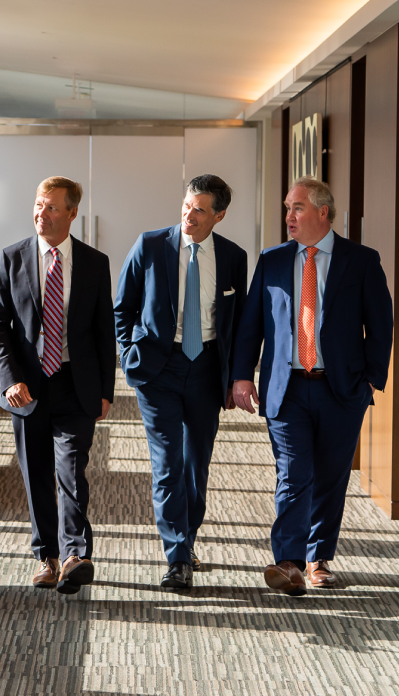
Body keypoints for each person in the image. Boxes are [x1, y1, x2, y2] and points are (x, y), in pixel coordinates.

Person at [231, 177, 392, 595]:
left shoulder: (361, 261)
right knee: (293, 472)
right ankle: (289, 561)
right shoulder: (273, 260)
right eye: (287, 207)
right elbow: (252, 324)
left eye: (297, 207)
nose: (288, 216)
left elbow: (380, 323)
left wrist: (372, 379)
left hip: (341, 388)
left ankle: (319, 556)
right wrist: (242, 375)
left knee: (331, 475)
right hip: (286, 387)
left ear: (323, 212)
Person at [114, 174, 248, 589]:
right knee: (167, 463)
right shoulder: (150, 245)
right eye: (187, 206)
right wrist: (128, 356)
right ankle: (176, 557)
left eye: (200, 210)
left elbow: (238, 322)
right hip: (159, 368)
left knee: (196, 465)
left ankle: (186, 541)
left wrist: (234, 375)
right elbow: (123, 308)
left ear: (219, 216)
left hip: (207, 369)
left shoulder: (233, 257)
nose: (189, 215)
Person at [0, 176, 115, 594]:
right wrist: (9, 380)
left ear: (72, 213)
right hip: (27, 387)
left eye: (52, 207)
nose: (41, 213)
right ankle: (47, 554)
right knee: (36, 473)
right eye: (38, 205)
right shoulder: (13, 258)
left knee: (72, 470)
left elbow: (103, 332)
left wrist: (106, 390)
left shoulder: (94, 263)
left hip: (76, 385)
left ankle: (76, 554)